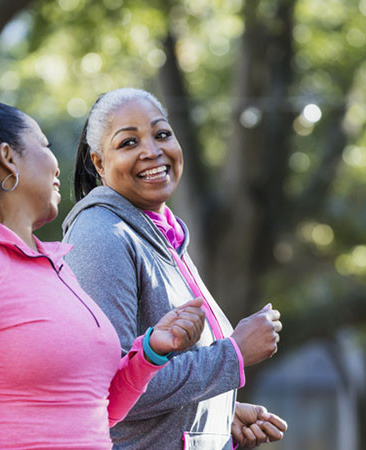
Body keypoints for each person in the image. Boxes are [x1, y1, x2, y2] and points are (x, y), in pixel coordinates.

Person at [0, 76, 207, 449]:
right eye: (44, 146)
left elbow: (93, 408)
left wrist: (152, 350)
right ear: (8, 158)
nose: (58, 166)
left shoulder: (54, 265)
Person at [62, 88, 288, 450]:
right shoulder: (102, 235)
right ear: (99, 163)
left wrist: (218, 413)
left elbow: (163, 378)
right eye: (128, 142)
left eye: (161, 134)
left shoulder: (162, 233)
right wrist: (233, 354)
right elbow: (111, 386)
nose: (152, 151)